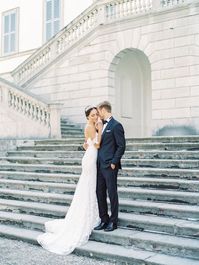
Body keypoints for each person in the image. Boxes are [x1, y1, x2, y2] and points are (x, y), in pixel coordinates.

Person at [37, 106, 102, 255]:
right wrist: (101, 129)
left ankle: (92, 214)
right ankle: (87, 217)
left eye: (96, 114)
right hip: (91, 158)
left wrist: (94, 136)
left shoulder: (91, 127)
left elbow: (87, 143)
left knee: (89, 187)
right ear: (87, 117)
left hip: (90, 155)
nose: (95, 117)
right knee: (88, 187)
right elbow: (97, 144)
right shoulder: (91, 127)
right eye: (92, 115)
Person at [94, 101, 126, 232]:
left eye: (98, 111)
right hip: (99, 165)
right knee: (99, 192)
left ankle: (113, 222)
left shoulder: (116, 125)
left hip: (110, 166)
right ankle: (104, 220)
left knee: (112, 193)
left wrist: (114, 162)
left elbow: (121, 146)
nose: (97, 114)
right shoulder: (100, 125)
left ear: (103, 110)